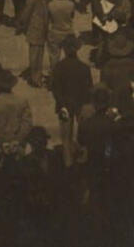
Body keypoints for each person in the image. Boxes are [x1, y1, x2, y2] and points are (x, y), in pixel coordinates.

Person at [51, 34, 92, 167]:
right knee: (83, 136)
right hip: (80, 105)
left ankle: (68, 165)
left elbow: (55, 89)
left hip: (65, 105)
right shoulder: (84, 68)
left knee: (66, 139)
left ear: (64, 49)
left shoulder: (58, 67)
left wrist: (61, 104)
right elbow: (89, 89)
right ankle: (82, 162)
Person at [0, 69, 33, 154]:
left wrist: (2, 142)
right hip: (18, 144)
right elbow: (27, 123)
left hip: (0, 145)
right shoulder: (22, 101)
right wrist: (17, 140)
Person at [18, 0, 49, 87]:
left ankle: (37, 76)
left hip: (39, 30)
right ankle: (35, 79)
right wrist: (23, 27)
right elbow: (26, 13)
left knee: (39, 54)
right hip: (35, 30)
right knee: (35, 55)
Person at [46, 0, 75, 73]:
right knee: (70, 57)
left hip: (55, 33)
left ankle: (54, 76)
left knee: (54, 57)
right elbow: (72, 17)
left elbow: (49, 18)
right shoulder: (71, 4)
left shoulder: (51, 5)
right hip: (67, 33)